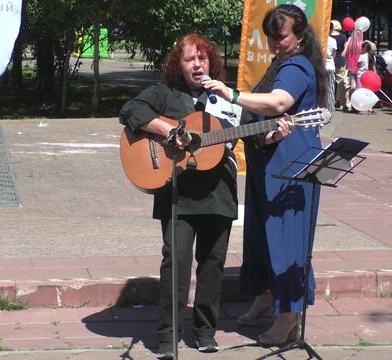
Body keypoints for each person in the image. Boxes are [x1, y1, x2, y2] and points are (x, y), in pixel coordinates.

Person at [203, 4, 328, 346]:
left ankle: (288, 315)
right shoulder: (280, 61)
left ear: (300, 35)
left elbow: (277, 103)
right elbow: (263, 117)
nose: (275, 43)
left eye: (281, 36)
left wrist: (232, 94)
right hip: (268, 160)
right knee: (260, 234)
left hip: (290, 165)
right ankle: (264, 294)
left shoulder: (298, 65)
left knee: (286, 236)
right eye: (271, 37)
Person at [119, 33, 241, 360]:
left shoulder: (227, 97)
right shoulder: (166, 94)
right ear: (180, 64)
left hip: (220, 192)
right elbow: (131, 110)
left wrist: (273, 131)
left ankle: (204, 332)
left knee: (213, 264)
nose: (197, 64)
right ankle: (168, 336)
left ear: (211, 62)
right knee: (177, 263)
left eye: (202, 58)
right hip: (178, 192)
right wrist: (168, 131)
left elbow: (254, 136)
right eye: (190, 59)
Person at [343, 28, 364, 112]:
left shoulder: (350, 41)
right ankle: (356, 104)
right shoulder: (362, 43)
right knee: (358, 87)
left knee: (352, 87)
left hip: (351, 66)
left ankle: (349, 103)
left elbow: (343, 53)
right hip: (359, 67)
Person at [330, 19, 348, 111]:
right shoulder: (343, 37)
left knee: (330, 82)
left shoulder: (328, 36)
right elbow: (346, 49)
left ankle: (330, 101)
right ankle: (342, 103)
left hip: (330, 61)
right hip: (340, 61)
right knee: (341, 83)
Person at [326, 22, 338, 111]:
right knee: (330, 87)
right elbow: (334, 54)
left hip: (320, 66)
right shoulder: (333, 40)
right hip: (330, 65)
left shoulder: (320, 39)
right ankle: (330, 107)